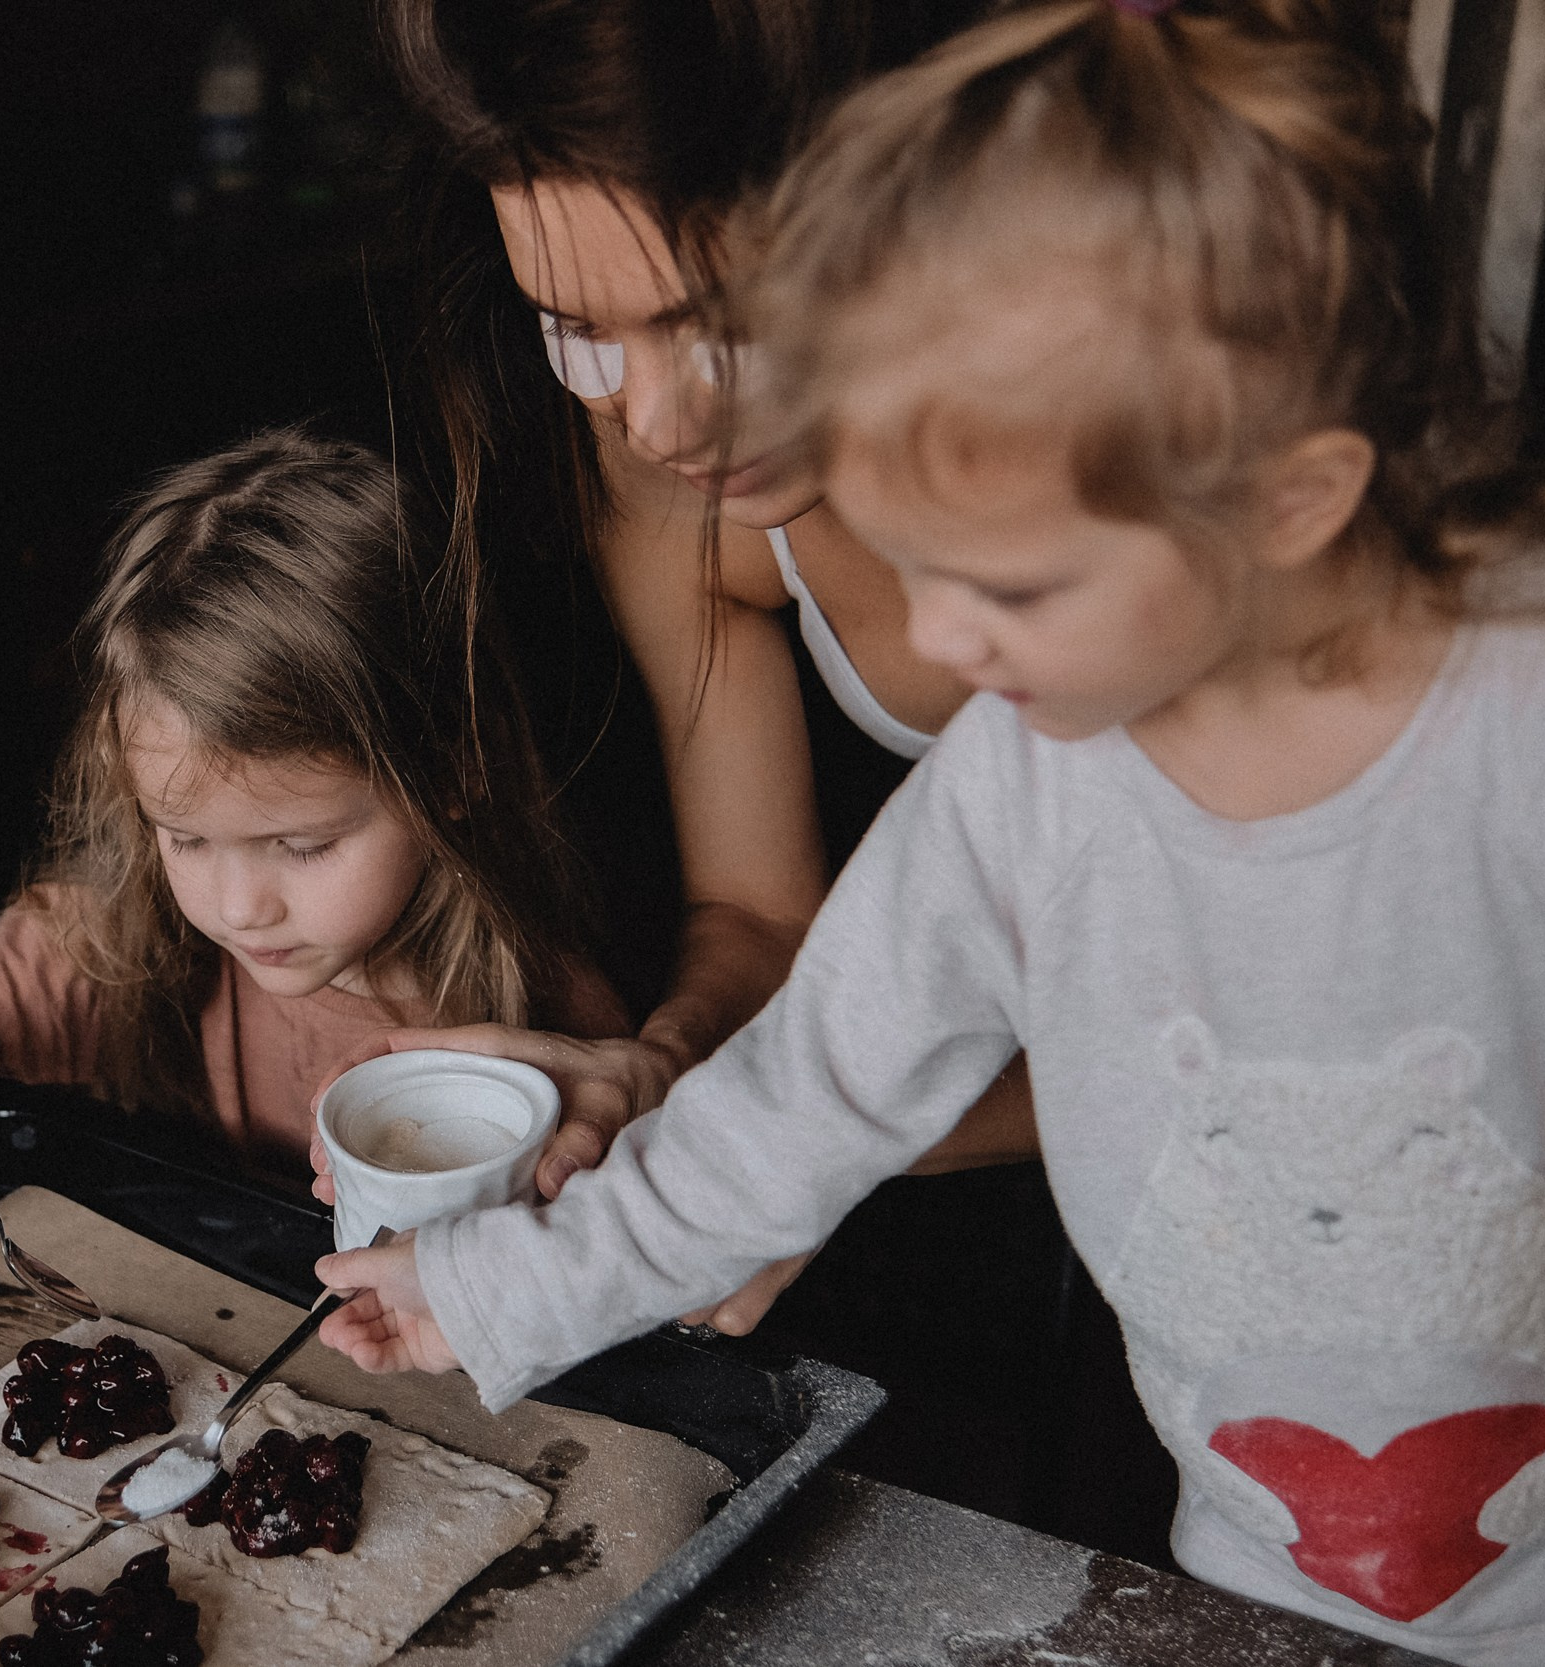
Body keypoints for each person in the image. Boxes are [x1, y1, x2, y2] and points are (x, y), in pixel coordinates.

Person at [315, 1, 1545, 1660]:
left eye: (1006, 585)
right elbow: (807, 1089)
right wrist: (487, 1292)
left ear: (1291, 495)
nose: (941, 650)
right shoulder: (1027, 761)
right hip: (1248, 1567)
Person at [316, 0, 1033, 1332]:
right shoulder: (658, 465)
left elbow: (1248, 1022)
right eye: (580, 331)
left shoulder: (1135, 473)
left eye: (727, 331)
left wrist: (771, 1147)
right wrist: (667, 1066)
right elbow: (762, 915)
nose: (657, 416)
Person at [0, 429, 625, 1200]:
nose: (237, 906)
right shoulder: (121, 933)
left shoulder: (550, 1019)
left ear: (450, 768)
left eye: (301, 845)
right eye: (183, 836)